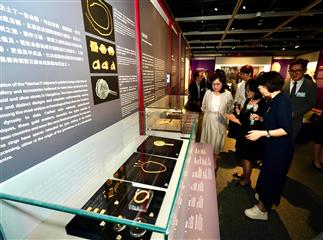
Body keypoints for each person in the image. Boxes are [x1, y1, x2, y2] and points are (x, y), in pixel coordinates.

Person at [244, 71, 294, 221]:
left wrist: (262, 133)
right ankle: (264, 197)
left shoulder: (282, 101)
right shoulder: (273, 99)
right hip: (272, 147)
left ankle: (263, 209)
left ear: (268, 85)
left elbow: (285, 129)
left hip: (280, 149)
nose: (259, 88)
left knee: (272, 177)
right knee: (266, 174)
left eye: (261, 85)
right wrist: (260, 118)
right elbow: (274, 119)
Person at [228, 79, 267, 186]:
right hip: (242, 133)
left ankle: (247, 180)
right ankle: (245, 174)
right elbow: (243, 117)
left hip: (251, 135)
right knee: (242, 156)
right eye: (246, 90)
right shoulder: (248, 100)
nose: (247, 92)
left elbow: (262, 121)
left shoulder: (263, 103)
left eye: (249, 90)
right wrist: (238, 113)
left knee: (247, 158)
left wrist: (237, 120)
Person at [200, 73, 233, 162]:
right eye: (213, 84)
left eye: (218, 84)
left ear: (223, 83)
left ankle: (214, 160)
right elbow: (203, 107)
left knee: (217, 142)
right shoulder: (208, 93)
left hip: (221, 120)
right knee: (208, 140)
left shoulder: (227, 94)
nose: (215, 86)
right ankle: (207, 158)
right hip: (209, 119)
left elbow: (230, 109)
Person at [283, 58, 317, 142]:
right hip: (280, 119)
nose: (294, 73)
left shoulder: (310, 86)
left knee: (289, 144)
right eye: (291, 71)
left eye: (298, 70)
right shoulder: (284, 84)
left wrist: (295, 113)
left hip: (295, 122)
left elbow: (311, 103)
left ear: (304, 70)